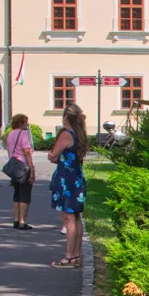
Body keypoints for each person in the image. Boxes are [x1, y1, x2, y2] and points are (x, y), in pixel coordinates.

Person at [49, 104, 88, 267]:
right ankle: (76, 255)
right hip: (77, 178)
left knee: (69, 218)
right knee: (76, 217)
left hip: (66, 179)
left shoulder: (66, 135)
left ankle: (69, 256)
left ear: (66, 117)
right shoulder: (80, 134)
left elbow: (53, 155)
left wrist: (52, 155)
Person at [4, 113, 36, 230]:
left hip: (14, 166)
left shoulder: (10, 134)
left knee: (17, 194)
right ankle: (23, 221)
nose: (27, 124)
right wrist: (32, 168)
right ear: (22, 122)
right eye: (26, 122)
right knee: (25, 194)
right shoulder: (23, 134)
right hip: (23, 166)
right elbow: (26, 152)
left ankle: (16, 219)